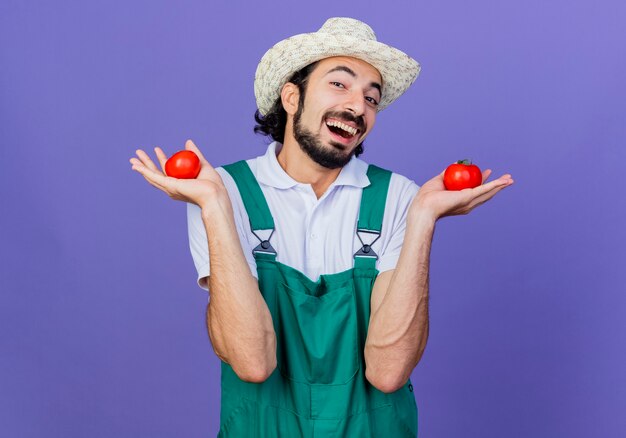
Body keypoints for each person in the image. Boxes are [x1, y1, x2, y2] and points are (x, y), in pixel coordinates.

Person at [129, 17, 514, 437]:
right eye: (340, 84)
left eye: (372, 97)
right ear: (292, 97)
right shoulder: (222, 192)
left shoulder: (399, 197)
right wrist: (215, 207)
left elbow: (388, 372)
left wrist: (423, 219)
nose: (358, 106)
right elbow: (252, 363)